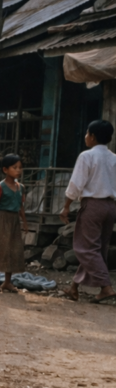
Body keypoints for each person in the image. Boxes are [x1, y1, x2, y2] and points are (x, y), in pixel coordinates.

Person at [60, 120, 116, 303]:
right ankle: (74, 288)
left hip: (93, 205)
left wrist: (67, 205)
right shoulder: (114, 158)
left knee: (85, 248)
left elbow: (76, 184)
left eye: (86, 133)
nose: (85, 137)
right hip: (110, 206)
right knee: (97, 248)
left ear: (92, 136)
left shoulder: (87, 156)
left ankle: (106, 287)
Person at [0, 154, 28, 293]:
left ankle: (7, 282)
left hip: (14, 220)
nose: (18, 170)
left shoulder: (21, 187)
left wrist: (24, 222)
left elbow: (20, 206)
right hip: (1, 219)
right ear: (5, 170)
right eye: (14, 167)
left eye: (20, 168)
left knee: (14, 250)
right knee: (0, 248)